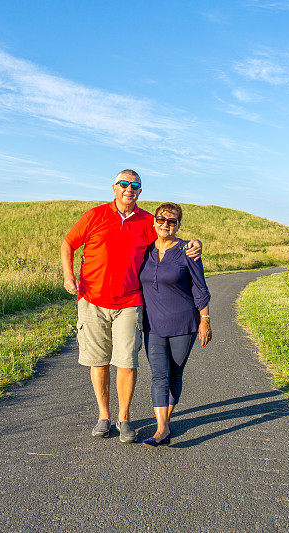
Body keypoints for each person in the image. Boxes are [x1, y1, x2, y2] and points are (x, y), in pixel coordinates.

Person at [60, 170, 202, 443]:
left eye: (135, 185)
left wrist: (194, 245)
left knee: (126, 361)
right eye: (124, 184)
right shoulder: (94, 215)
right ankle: (104, 417)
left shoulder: (149, 220)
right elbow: (68, 243)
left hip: (130, 303)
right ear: (114, 187)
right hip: (92, 300)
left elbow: (168, 235)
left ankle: (124, 419)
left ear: (139, 191)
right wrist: (69, 276)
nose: (129, 189)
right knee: (98, 361)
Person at [138, 202, 211, 447]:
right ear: (154, 221)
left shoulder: (187, 252)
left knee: (174, 375)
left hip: (184, 323)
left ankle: (165, 423)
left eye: (172, 221)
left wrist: (205, 321)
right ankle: (162, 430)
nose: (165, 225)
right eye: (161, 220)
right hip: (153, 325)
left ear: (178, 225)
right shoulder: (144, 251)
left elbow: (200, 288)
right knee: (159, 375)